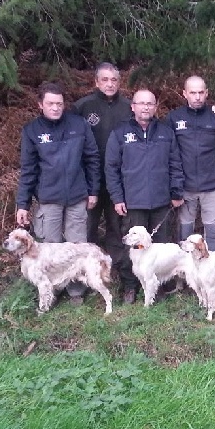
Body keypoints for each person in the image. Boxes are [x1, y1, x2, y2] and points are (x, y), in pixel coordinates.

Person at [16, 82, 100, 304]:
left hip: (77, 196)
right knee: (48, 247)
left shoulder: (79, 125)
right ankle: (51, 290)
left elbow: (92, 159)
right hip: (48, 199)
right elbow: (28, 170)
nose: (55, 108)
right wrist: (22, 204)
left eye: (59, 104)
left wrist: (93, 191)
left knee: (76, 246)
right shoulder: (32, 131)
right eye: (50, 104)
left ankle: (76, 289)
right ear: (40, 105)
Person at [105, 89, 185, 303]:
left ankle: (156, 287)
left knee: (158, 248)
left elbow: (175, 164)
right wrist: (117, 197)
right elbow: (111, 168)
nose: (146, 107)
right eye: (141, 103)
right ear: (133, 107)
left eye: (150, 103)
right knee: (133, 249)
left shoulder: (166, 132)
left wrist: (177, 191)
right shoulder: (121, 132)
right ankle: (130, 287)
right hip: (133, 202)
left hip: (161, 201)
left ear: (155, 107)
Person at [72, 62, 132, 294]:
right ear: (96, 82)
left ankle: (117, 277)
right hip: (90, 183)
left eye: (114, 80)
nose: (109, 84)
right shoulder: (82, 107)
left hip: (120, 183)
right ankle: (83, 280)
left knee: (117, 233)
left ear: (119, 82)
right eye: (104, 79)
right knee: (87, 232)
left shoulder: (129, 107)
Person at [166, 76, 215, 251]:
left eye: (201, 92)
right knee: (185, 232)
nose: (197, 97)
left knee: (213, 232)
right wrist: (174, 187)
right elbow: (167, 154)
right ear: (184, 94)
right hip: (184, 187)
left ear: (206, 93)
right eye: (193, 92)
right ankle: (185, 274)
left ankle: (212, 274)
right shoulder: (174, 118)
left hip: (212, 186)